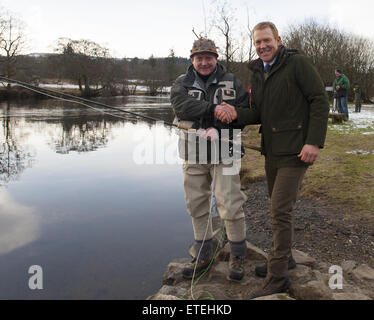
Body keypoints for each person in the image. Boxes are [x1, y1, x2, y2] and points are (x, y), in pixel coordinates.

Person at [215, 21, 329, 298]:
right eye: (257, 42)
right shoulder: (258, 72)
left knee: (279, 210)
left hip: (296, 151)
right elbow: (257, 113)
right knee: (278, 208)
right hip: (272, 151)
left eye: (267, 40)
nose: (262, 46)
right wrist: (234, 113)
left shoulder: (296, 64)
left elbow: (319, 101)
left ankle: (278, 277)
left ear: (278, 39)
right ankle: (285, 258)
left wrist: (314, 141)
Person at [170, 37, 250, 282]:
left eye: (208, 57)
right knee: (196, 203)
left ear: (216, 58)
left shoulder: (233, 82)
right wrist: (213, 111)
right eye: (199, 58)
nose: (204, 62)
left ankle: (237, 255)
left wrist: (220, 126)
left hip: (226, 152)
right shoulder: (181, 83)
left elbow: (244, 111)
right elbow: (180, 106)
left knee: (230, 201)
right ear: (192, 60)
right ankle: (203, 253)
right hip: (192, 153)